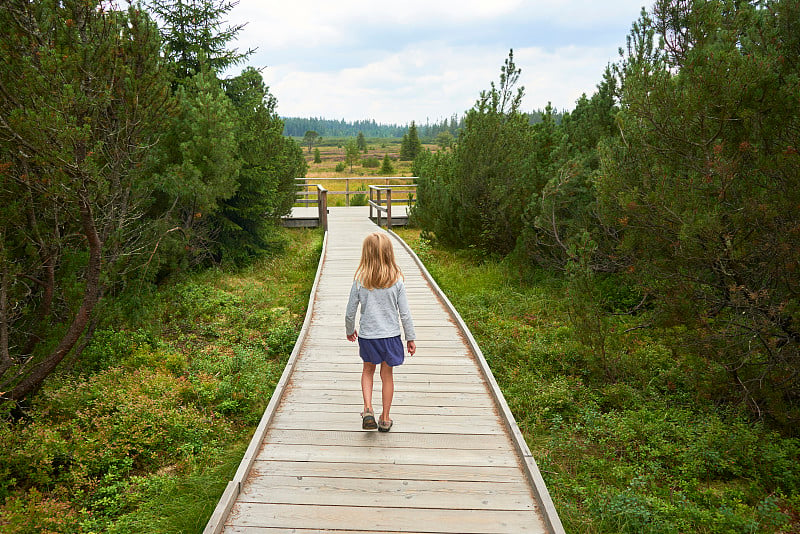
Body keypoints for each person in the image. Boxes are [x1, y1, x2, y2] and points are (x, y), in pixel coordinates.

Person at [345, 232, 416, 432]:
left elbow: (350, 311)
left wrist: (350, 330)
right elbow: (405, 314)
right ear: (388, 254)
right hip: (391, 336)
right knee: (387, 375)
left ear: (365, 255)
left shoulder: (360, 281)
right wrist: (410, 338)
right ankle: (385, 418)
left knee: (368, 370)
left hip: (368, 336)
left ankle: (368, 409)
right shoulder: (397, 281)